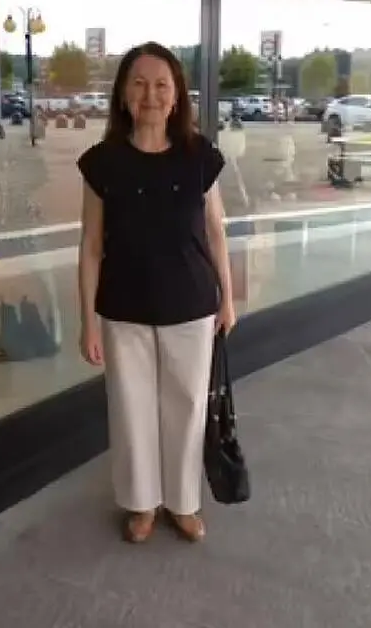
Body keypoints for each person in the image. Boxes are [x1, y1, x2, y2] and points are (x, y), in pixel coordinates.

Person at [77, 41, 235, 544]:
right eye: (140, 84)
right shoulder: (101, 163)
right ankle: (142, 503)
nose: (151, 95)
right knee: (132, 411)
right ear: (124, 94)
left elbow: (216, 231)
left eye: (161, 84)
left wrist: (228, 299)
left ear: (177, 95)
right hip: (123, 308)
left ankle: (183, 504)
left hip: (191, 304)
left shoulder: (200, 156)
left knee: (186, 409)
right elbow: (91, 245)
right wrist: (87, 321)